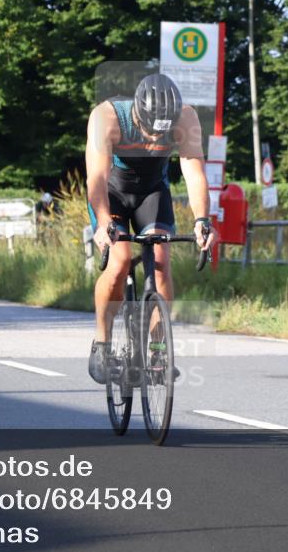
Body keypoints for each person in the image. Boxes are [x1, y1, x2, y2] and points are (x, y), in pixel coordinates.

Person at [85, 73, 218, 384]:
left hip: (152, 191)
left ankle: (158, 351)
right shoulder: (106, 118)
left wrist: (202, 220)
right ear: (138, 114)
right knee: (118, 263)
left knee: (160, 263)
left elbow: (194, 172)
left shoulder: (186, 118)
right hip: (112, 194)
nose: (156, 140)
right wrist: (104, 223)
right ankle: (102, 344)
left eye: (163, 134)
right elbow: (97, 180)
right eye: (149, 131)